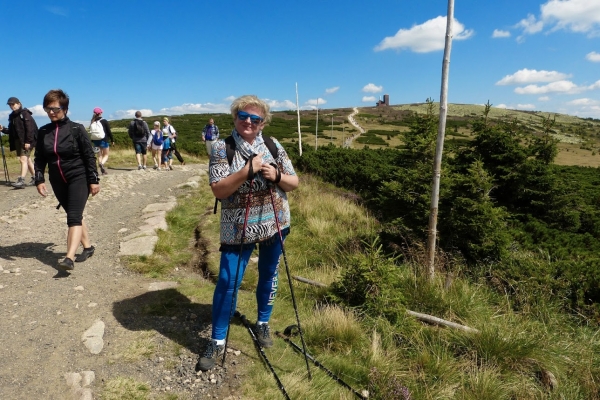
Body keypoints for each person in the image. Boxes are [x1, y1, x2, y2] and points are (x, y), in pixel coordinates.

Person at [197, 95, 299, 371]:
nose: (249, 122)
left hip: (275, 223)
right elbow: (219, 189)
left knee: (269, 274)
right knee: (229, 281)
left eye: (256, 119)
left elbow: (293, 182)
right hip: (237, 228)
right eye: (244, 116)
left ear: (263, 123)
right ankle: (218, 340)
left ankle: (263, 323)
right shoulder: (222, 148)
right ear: (235, 117)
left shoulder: (273, 145)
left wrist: (276, 176)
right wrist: (247, 170)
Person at [33, 89, 100, 272]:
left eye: (55, 108)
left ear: (65, 108)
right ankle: (88, 247)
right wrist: (39, 179)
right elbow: (39, 158)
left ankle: (69, 257)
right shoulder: (44, 131)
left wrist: (93, 180)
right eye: (48, 109)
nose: (51, 112)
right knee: (74, 213)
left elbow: (88, 156)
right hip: (57, 179)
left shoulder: (77, 129)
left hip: (78, 177)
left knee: (73, 217)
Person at [0, 97, 37, 188]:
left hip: (26, 140)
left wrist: (28, 141)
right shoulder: (12, 116)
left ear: (19, 104)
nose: (11, 106)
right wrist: (3, 129)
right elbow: (12, 131)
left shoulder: (25, 114)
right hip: (18, 141)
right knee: (27, 160)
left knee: (23, 159)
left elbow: (30, 129)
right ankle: (36, 178)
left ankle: (21, 180)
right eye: (10, 105)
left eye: (13, 104)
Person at [88, 107, 114, 175]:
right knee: (106, 155)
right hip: (104, 140)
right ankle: (101, 164)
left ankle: (102, 169)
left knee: (99, 156)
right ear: (100, 113)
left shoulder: (92, 121)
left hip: (95, 141)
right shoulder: (104, 120)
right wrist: (112, 140)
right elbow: (109, 131)